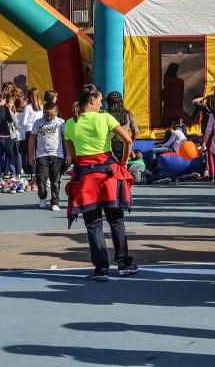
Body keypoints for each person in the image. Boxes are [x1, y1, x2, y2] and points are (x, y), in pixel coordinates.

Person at [63, 84, 138, 281]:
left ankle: (101, 268)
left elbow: (72, 153)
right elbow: (128, 141)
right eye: (99, 100)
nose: (100, 104)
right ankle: (123, 263)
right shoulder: (105, 118)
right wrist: (122, 162)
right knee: (116, 220)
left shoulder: (70, 123)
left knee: (93, 224)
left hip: (85, 179)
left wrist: (78, 155)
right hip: (107, 177)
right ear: (93, 100)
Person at [29, 102, 67, 211]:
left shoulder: (61, 123)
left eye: (51, 114)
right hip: (42, 155)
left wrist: (68, 154)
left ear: (56, 112)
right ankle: (42, 197)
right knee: (41, 179)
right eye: (46, 114)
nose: (48, 117)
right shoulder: (38, 123)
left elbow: (65, 139)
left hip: (57, 154)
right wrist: (31, 156)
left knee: (55, 180)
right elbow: (32, 139)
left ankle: (55, 201)